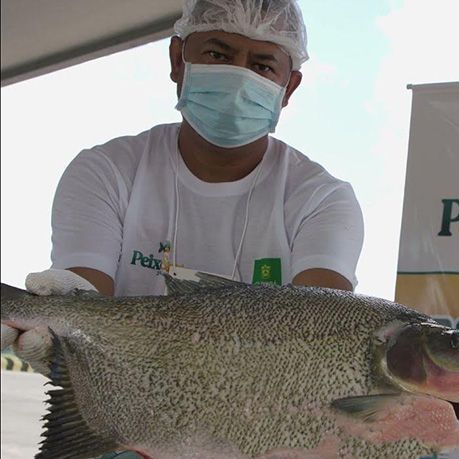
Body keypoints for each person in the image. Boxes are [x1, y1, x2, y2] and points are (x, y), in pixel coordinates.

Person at [1, 0, 364, 390]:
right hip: (120, 413)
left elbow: (322, 337)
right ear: (178, 59)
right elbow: (85, 304)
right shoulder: (106, 171)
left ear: (288, 86)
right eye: (217, 53)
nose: (238, 77)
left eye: (261, 65)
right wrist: (60, 329)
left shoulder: (322, 200)